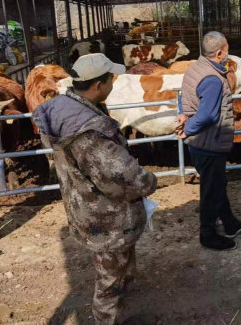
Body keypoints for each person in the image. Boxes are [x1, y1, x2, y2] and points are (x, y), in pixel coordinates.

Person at [33, 53, 157, 324]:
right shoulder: (90, 132)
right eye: (111, 79)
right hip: (107, 218)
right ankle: (107, 320)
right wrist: (149, 181)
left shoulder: (61, 108)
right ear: (98, 85)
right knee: (111, 279)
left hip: (83, 205)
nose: (113, 82)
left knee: (117, 268)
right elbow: (123, 174)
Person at [176, 31, 241, 251]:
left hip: (201, 144)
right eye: (227, 50)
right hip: (210, 143)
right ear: (220, 53)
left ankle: (230, 223)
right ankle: (208, 234)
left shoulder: (195, 68)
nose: (228, 55)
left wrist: (182, 113)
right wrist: (188, 129)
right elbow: (208, 115)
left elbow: (183, 95)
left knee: (216, 184)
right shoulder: (213, 79)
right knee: (210, 191)